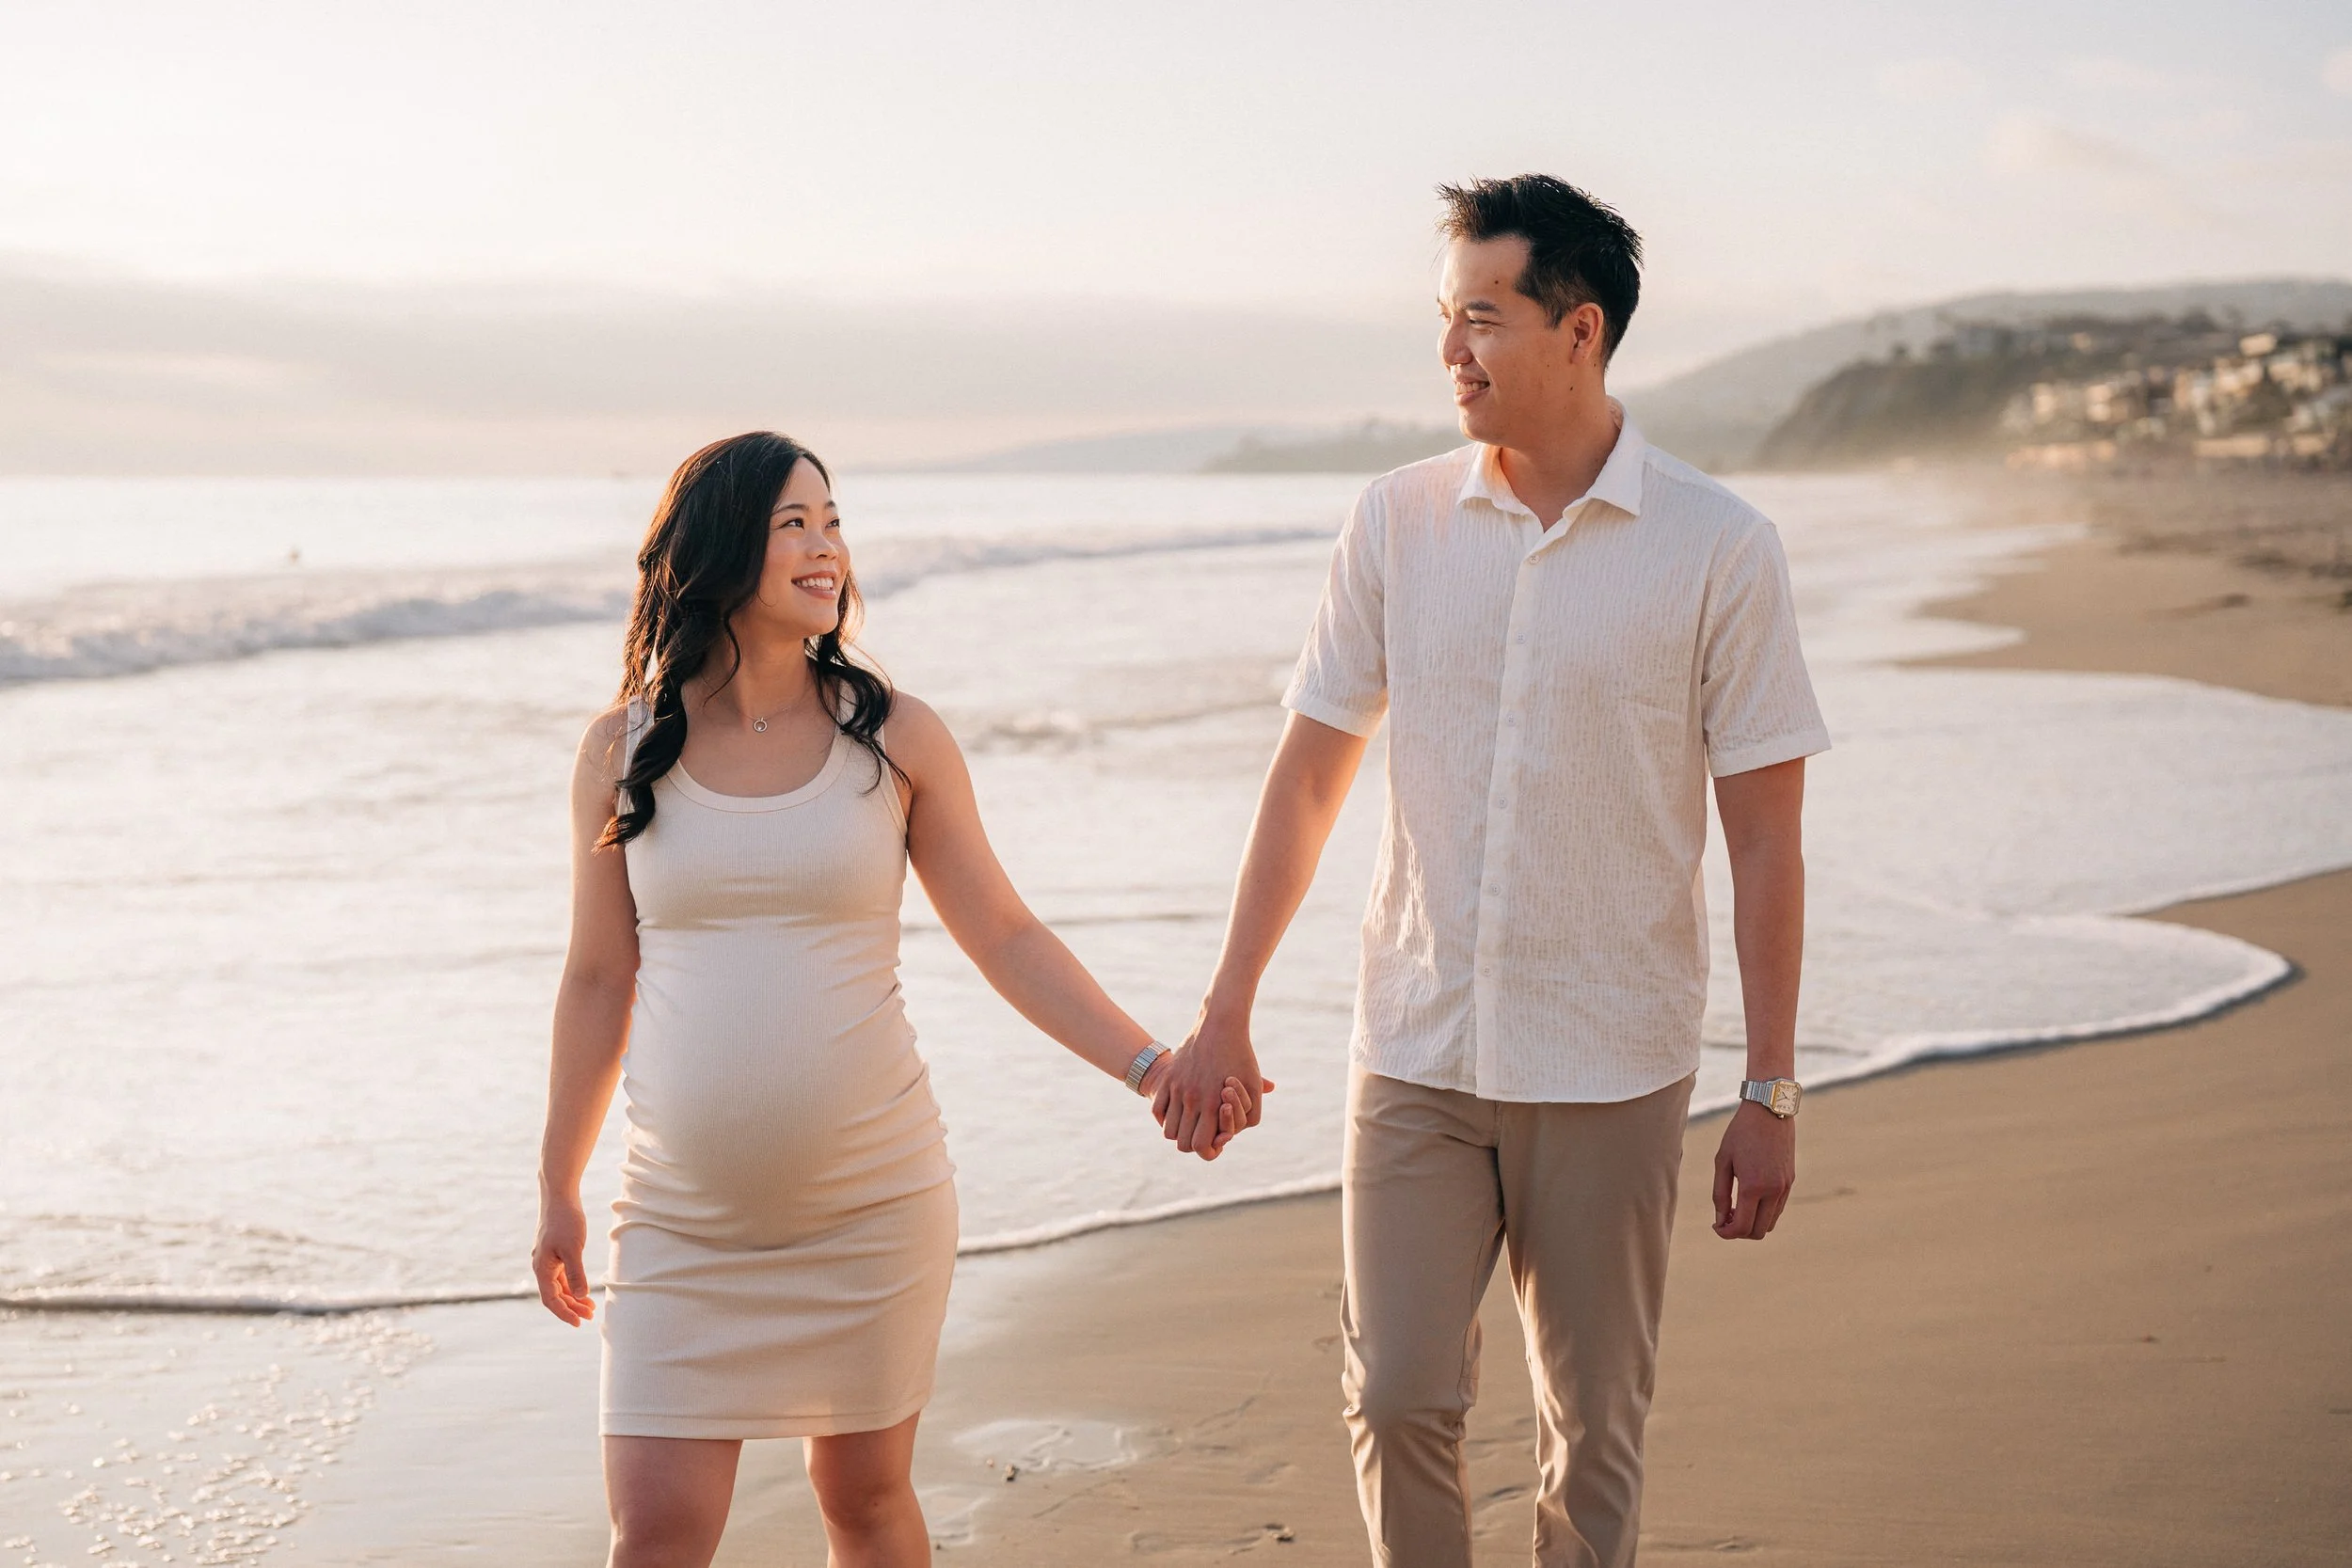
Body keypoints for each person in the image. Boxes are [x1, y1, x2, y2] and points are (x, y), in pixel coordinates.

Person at [1152, 175, 1830, 1567]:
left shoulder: (1720, 547)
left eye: (1482, 318)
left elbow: (1767, 836)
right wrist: (1227, 1005)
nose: (1451, 352)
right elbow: (1310, 776)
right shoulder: (1394, 522)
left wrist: (1769, 1084)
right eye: (1443, 319)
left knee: (1594, 1438)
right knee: (1397, 1388)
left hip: (1613, 1057)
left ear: (1578, 333)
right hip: (1417, 1045)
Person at [530, 432, 1249, 1568]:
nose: (828, 547)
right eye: (793, 524)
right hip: (676, 1216)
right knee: (656, 1529)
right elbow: (594, 976)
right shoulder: (620, 750)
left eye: (833, 519)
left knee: (863, 1502)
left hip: (872, 1204)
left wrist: (1149, 1063)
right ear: (720, 550)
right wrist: (556, 1182)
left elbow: (1005, 933)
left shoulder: (895, 738)